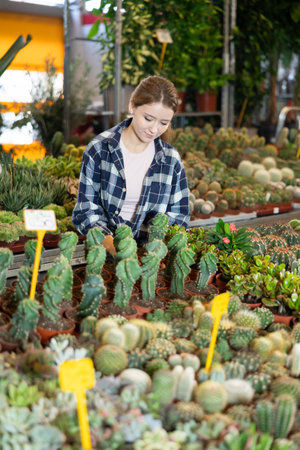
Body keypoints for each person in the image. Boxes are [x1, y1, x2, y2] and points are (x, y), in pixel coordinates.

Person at [72, 75, 190, 256]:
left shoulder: (171, 159)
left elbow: (179, 216)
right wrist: (110, 244)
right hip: (104, 255)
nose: (154, 129)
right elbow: (86, 210)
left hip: (151, 259)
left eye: (163, 123)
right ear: (132, 106)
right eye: (148, 118)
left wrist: (154, 248)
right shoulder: (100, 149)